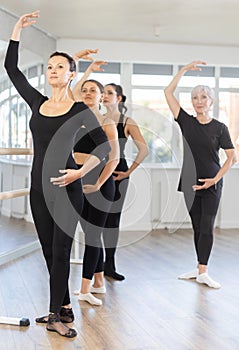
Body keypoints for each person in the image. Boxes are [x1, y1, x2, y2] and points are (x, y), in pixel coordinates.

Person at [4, 11, 111, 338]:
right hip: (38, 188)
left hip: (68, 190)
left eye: (59, 67)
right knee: (49, 252)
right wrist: (16, 30)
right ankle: (62, 306)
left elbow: (103, 148)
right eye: (49, 67)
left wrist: (79, 171)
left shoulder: (80, 109)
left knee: (63, 250)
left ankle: (54, 316)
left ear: (71, 74)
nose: (52, 71)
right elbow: (11, 69)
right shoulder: (37, 102)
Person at [164, 61, 237, 289]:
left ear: (211, 101)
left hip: (212, 183)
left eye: (203, 97)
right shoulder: (186, 122)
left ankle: (204, 271)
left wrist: (215, 179)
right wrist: (184, 71)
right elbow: (168, 92)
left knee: (207, 226)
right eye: (195, 98)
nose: (199, 101)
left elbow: (232, 157)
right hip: (189, 182)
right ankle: (199, 268)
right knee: (197, 227)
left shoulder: (220, 128)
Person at [72, 69, 149, 280]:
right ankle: (98, 269)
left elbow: (143, 149)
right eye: (102, 92)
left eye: (109, 93)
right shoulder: (92, 117)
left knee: (112, 222)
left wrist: (127, 172)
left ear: (119, 98)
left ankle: (109, 266)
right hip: (92, 169)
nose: (104, 96)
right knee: (94, 225)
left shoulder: (125, 121)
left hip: (117, 171)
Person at [73, 79, 119, 305]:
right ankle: (99, 282)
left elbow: (114, 159)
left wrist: (99, 184)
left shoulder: (106, 122)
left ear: (102, 96)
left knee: (92, 235)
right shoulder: (76, 120)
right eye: (85, 90)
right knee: (90, 234)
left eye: (93, 90)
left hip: (101, 184)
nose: (88, 93)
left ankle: (84, 289)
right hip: (78, 181)